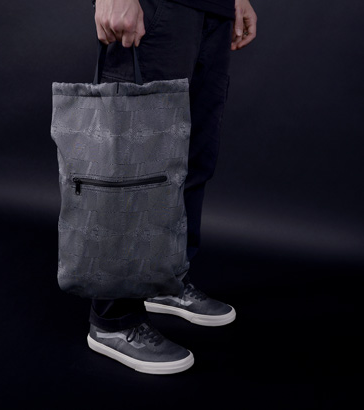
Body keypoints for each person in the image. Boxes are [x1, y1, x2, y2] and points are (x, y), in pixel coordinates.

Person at [86, 0, 257, 374]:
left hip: (212, 10)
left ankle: (164, 281)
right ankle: (114, 321)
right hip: (155, 8)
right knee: (133, 167)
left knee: (191, 160)